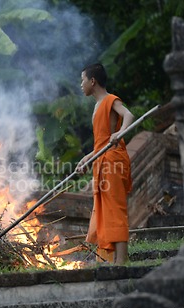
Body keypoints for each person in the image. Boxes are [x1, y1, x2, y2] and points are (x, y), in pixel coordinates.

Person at [75, 63, 134, 265]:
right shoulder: (96, 106)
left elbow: (129, 115)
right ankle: (113, 260)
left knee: (115, 209)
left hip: (113, 160)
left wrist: (120, 132)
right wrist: (86, 158)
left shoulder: (110, 100)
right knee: (106, 211)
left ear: (93, 81)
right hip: (101, 160)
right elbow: (102, 142)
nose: (81, 84)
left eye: (82, 80)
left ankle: (121, 261)